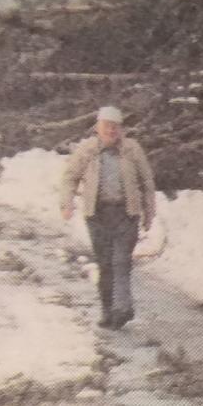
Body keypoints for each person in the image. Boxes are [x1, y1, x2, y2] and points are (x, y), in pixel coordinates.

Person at [59, 106, 157, 329]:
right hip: (97, 215)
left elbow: (147, 183)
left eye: (115, 127)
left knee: (121, 261)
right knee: (105, 264)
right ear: (98, 127)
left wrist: (149, 212)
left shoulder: (132, 149)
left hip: (126, 213)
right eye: (106, 126)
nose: (111, 131)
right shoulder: (87, 150)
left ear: (121, 129)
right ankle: (107, 310)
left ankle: (123, 308)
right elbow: (69, 177)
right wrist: (67, 204)